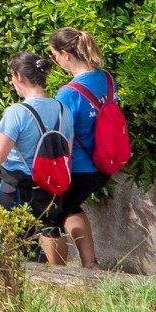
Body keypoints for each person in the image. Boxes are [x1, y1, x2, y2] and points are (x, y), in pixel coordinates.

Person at [0, 51, 71, 265]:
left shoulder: (17, 112)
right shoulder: (63, 109)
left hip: (16, 190)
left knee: (7, 247)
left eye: (12, 77)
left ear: (19, 77)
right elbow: (67, 152)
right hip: (49, 190)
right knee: (32, 244)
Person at [50, 27, 119, 268]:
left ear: (65, 55)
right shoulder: (107, 79)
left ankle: (56, 276)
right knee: (71, 207)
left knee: (51, 220)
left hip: (79, 169)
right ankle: (91, 265)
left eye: (54, 55)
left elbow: (62, 137)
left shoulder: (68, 93)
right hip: (105, 165)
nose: (55, 61)